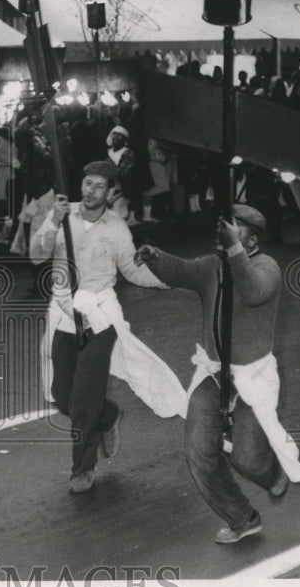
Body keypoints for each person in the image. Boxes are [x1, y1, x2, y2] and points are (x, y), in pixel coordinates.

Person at [134, 205, 300, 544]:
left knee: (246, 459)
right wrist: (156, 257)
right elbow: (181, 271)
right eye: (224, 227)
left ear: (253, 240)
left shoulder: (266, 266)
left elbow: (254, 291)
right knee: (198, 450)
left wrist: (234, 251)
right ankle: (242, 517)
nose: (224, 231)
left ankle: (270, 471)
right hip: (213, 374)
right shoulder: (213, 266)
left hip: (252, 378)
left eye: (234, 228)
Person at [29, 161, 187, 496]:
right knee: (61, 395)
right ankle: (107, 415)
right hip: (63, 312)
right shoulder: (62, 214)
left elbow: (131, 270)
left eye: (99, 186)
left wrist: (168, 279)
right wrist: (53, 221)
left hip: (99, 316)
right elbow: (35, 256)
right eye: (87, 183)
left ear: (109, 192)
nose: (90, 191)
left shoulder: (116, 227)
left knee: (85, 395)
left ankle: (82, 468)